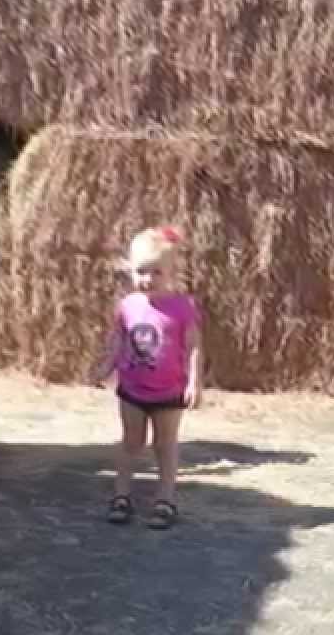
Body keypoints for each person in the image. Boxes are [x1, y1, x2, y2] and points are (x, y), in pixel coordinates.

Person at [91, 226, 203, 530]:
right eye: (141, 271)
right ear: (130, 269)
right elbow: (119, 339)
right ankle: (121, 495)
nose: (148, 279)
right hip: (132, 388)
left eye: (157, 272)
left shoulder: (183, 307)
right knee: (130, 443)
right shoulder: (128, 305)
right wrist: (106, 366)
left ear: (171, 272)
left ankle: (165, 499)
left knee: (165, 445)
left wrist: (194, 382)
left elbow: (192, 347)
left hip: (169, 391)